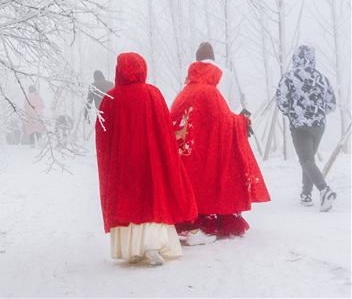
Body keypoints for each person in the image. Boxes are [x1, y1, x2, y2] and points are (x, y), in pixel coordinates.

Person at [96, 52, 197, 266]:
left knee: (128, 202)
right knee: (152, 198)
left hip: (123, 164)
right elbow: (164, 130)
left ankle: (132, 247)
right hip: (149, 160)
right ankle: (153, 244)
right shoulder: (152, 94)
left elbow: (103, 138)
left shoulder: (110, 99)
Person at [170, 42, 270, 244]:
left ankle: (193, 217)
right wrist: (243, 122)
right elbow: (225, 115)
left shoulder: (185, 91)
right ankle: (213, 218)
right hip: (212, 142)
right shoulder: (211, 90)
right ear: (213, 71)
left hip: (188, 148)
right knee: (216, 177)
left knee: (195, 180)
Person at [276, 45, 337, 211]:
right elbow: (332, 104)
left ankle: (325, 190)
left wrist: (292, 113)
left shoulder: (289, 77)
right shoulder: (321, 78)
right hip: (318, 125)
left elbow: (281, 102)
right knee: (309, 159)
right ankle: (306, 194)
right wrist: (318, 111)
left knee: (305, 159)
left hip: (299, 125)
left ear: (295, 58)